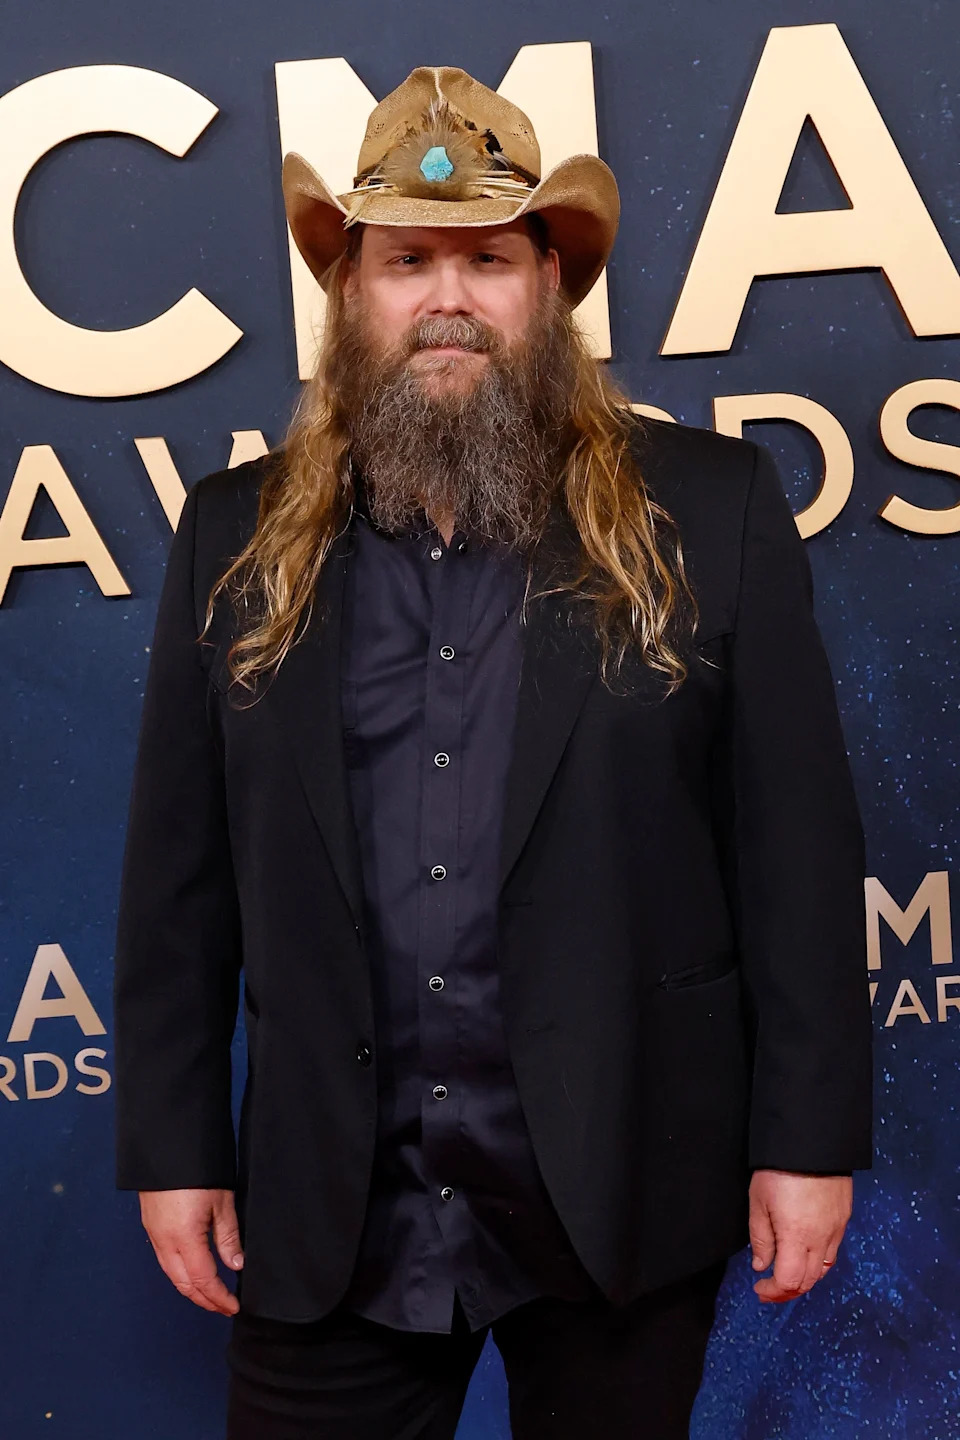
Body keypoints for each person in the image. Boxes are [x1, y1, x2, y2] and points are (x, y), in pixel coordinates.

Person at [113, 64, 873, 1440]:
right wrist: (173, 1147)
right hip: (335, 1207)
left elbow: (799, 863)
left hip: (624, 1183)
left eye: (486, 259)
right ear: (352, 293)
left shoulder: (714, 512)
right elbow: (179, 880)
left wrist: (808, 1142)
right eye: (408, 259)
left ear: (550, 291)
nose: (447, 298)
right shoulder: (230, 538)